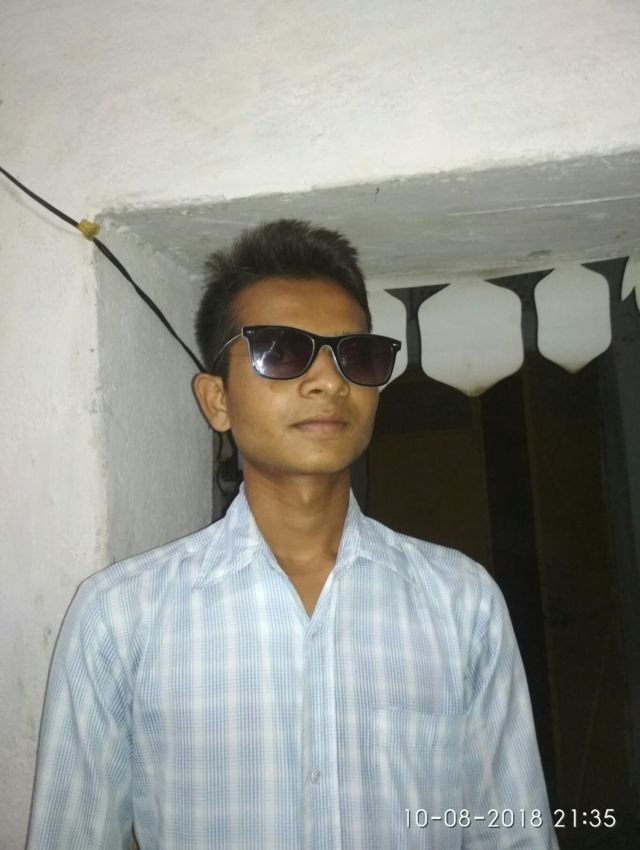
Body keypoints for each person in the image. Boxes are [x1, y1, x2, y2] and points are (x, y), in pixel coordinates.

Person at [27, 219, 558, 849]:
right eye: (279, 351)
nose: (329, 381)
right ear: (217, 400)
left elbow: (513, 833)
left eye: (356, 356)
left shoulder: (461, 602)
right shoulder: (120, 617)